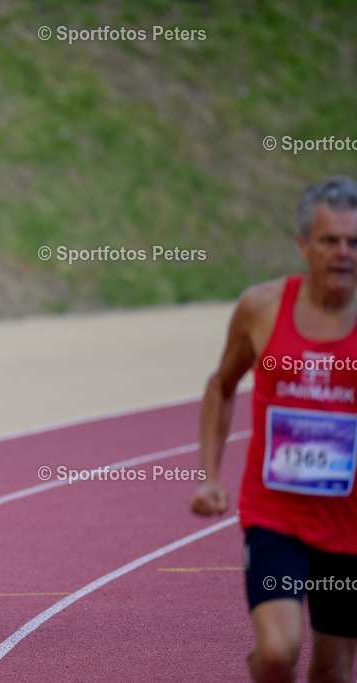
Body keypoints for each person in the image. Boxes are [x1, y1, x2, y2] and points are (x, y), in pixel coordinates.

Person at [191, 176, 357, 683]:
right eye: (330, 240)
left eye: (354, 242)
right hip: (275, 515)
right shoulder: (261, 308)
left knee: (333, 671)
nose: (343, 253)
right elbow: (222, 386)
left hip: (349, 524)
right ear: (303, 245)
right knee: (278, 651)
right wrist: (209, 476)